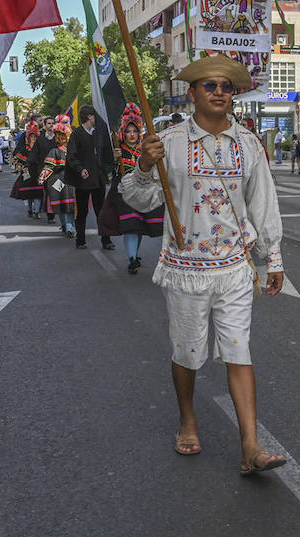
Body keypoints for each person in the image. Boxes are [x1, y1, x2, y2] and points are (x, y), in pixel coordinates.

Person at [124, 55, 288, 475]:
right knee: (188, 353)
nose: (219, 92)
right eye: (209, 85)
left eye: (227, 87)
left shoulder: (249, 143)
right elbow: (138, 199)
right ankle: (188, 419)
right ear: (192, 92)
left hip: (235, 267)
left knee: (239, 352)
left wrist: (273, 258)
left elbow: (263, 203)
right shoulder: (169, 142)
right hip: (185, 269)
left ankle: (250, 446)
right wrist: (144, 165)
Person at [97, 103, 164, 275]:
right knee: (131, 225)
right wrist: (113, 159)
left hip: (144, 191)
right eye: (128, 131)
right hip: (124, 193)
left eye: (135, 131)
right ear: (123, 132)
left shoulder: (145, 149)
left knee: (139, 225)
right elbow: (105, 168)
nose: (132, 135)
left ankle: (134, 255)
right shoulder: (118, 149)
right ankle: (132, 259)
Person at [66, 104, 114, 251]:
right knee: (82, 211)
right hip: (83, 181)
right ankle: (80, 240)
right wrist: (80, 169)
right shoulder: (77, 134)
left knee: (101, 211)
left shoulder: (99, 134)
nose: (96, 118)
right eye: (94, 116)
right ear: (88, 117)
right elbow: (71, 156)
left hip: (98, 178)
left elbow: (106, 153)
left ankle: (106, 240)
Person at [36, 114, 75, 237]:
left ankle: (69, 228)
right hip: (58, 182)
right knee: (61, 207)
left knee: (71, 207)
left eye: (64, 135)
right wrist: (42, 177)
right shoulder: (54, 151)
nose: (62, 138)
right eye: (59, 135)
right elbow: (48, 166)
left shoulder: (75, 151)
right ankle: (64, 225)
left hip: (72, 183)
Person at [10, 120, 44, 218]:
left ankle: (37, 212)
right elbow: (17, 159)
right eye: (31, 137)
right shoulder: (24, 149)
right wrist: (19, 168)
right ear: (27, 138)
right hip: (27, 173)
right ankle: (30, 209)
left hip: (38, 172)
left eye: (35, 137)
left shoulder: (41, 148)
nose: (33, 139)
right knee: (29, 193)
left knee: (38, 193)